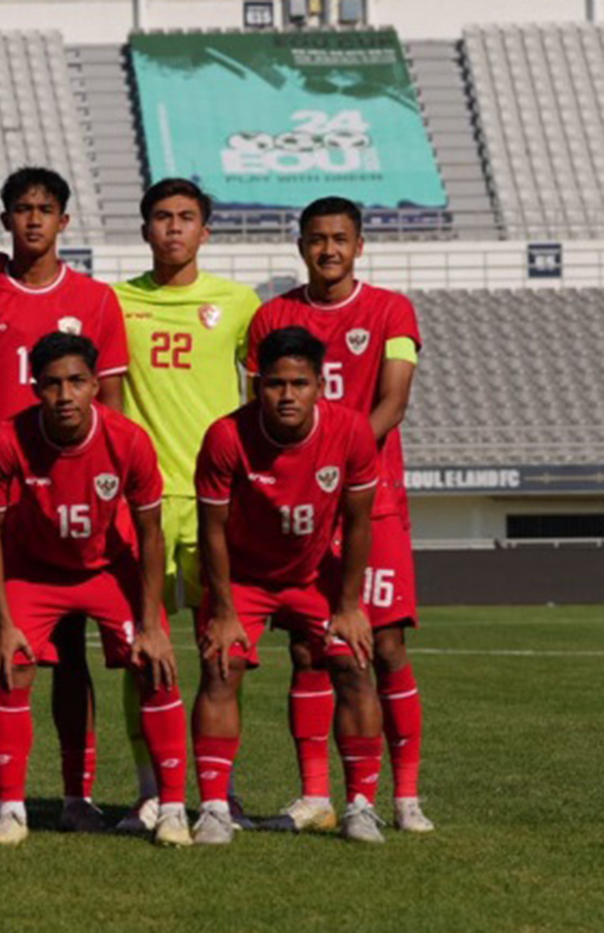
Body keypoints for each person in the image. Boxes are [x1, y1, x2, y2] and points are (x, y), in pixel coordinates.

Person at [0, 167, 128, 834]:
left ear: (64, 221)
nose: (34, 220)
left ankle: (76, 792)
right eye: (22, 209)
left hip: (72, 503)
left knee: (72, 651)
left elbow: (112, 408)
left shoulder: (97, 300)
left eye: (45, 209)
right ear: (6, 219)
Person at [248, 197, 432, 834]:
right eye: (317, 239)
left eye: (340, 239)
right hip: (298, 509)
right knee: (307, 649)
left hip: (369, 503)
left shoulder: (391, 310)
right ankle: (316, 796)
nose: (329, 250)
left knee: (381, 644)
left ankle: (404, 796)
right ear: (300, 244)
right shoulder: (272, 315)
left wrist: (342, 463)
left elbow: (395, 401)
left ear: (359, 245)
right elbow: (260, 407)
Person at [0, 333, 188, 847]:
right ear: (34, 388)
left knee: (156, 663)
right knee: (10, 665)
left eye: (75, 382)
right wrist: (2, 624)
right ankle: (12, 811)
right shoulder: (7, 440)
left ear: (95, 385)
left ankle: (174, 807)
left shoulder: (128, 440)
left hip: (108, 570)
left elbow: (152, 533)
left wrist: (152, 622)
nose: (64, 395)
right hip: (36, 572)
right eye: (51, 384)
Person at [191, 325, 386, 846]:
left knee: (352, 662)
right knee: (220, 663)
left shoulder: (350, 432)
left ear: (321, 386)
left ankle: (361, 806)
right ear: (257, 387)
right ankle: (213, 807)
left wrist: (349, 605)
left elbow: (360, 523)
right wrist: (225, 610)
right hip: (245, 577)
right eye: (275, 384)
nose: (287, 395)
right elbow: (211, 530)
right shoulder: (226, 436)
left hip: (312, 574)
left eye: (299, 384)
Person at [110, 178, 262, 833]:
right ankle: (152, 789)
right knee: (143, 649)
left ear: (206, 230)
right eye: (162, 218)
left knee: (220, 649)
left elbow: (258, 397)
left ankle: (216, 795)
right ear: (145, 229)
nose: (174, 228)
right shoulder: (114, 302)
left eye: (186, 218)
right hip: (140, 500)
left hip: (214, 500)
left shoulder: (239, 303)